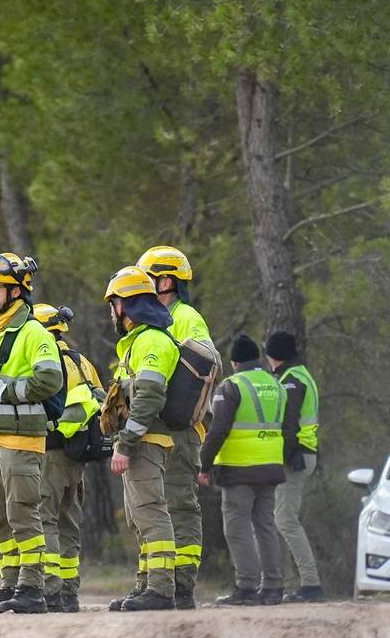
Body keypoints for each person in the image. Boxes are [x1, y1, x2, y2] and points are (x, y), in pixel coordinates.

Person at [0, 253, 62, 616]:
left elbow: (50, 380)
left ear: (17, 291)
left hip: (21, 442)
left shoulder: (33, 331)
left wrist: (3, 392)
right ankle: (9, 584)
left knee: (23, 514)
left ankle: (32, 588)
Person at [136, 246, 217, 608]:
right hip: (160, 429)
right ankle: (151, 582)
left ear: (165, 281)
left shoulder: (186, 317)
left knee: (180, 506)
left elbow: (205, 364)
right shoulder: (153, 322)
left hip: (181, 433)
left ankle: (181, 585)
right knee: (152, 507)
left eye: (146, 279)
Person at [103, 265, 179, 612]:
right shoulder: (135, 343)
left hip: (146, 441)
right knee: (138, 517)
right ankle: (145, 585)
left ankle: (161, 590)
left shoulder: (152, 341)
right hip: (139, 439)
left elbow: (148, 396)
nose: (112, 312)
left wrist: (125, 444)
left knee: (150, 512)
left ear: (128, 305)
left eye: (115, 303)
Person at [199, 335, 287, 606]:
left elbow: (218, 430)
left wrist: (205, 463)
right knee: (266, 525)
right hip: (271, 465)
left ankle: (246, 587)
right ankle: (273, 587)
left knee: (237, 527)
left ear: (235, 362)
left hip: (240, 468)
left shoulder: (232, 386)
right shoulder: (276, 384)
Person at [32, 304, 103, 614]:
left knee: (45, 517)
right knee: (69, 521)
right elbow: (101, 400)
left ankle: (51, 590)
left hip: (49, 451)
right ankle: (70, 590)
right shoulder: (82, 362)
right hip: (78, 453)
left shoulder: (45, 360)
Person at [264, 331, 325, 602]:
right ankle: (302, 582)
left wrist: (282, 457)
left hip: (296, 456)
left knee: (286, 520)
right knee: (284, 518)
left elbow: (288, 425)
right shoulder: (301, 375)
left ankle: (311, 584)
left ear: (272, 354)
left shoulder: (290, 381)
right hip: (304, 453)